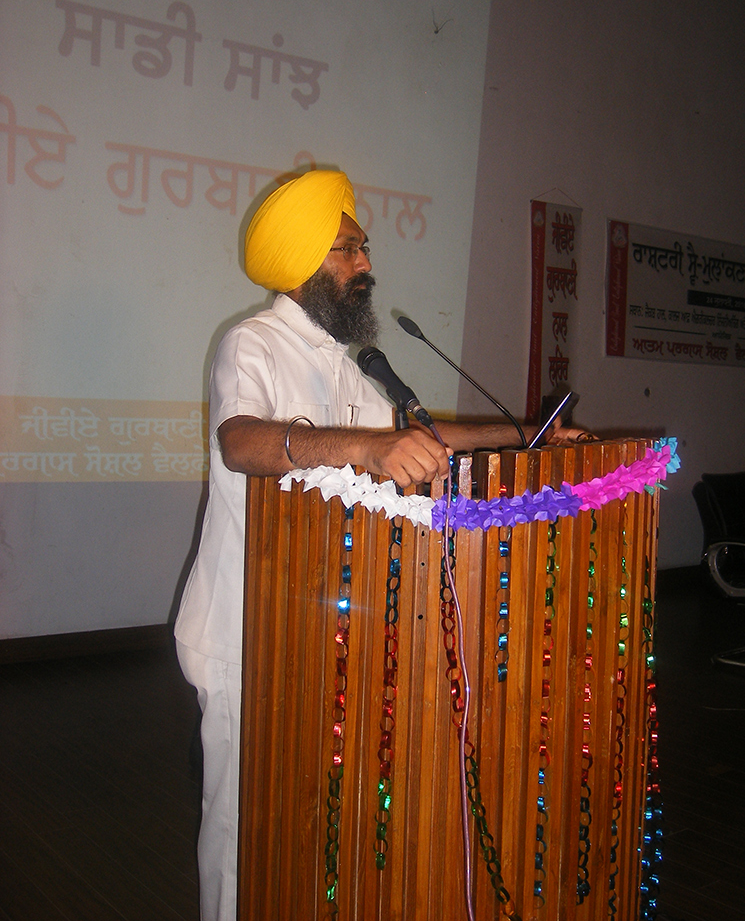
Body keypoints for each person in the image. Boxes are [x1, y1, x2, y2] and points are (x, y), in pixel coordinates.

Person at [174, 169, 584, 921]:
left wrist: (528, 434)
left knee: (307, 819)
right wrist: (365, 448)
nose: (365, 264)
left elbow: (415, 437)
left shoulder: (348, 360)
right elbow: (242, 442)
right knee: (241, 823)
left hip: (322, 629)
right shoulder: (251, 343)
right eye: (348, 249)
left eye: (363, 248)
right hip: (245, 631)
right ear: (304, 262)